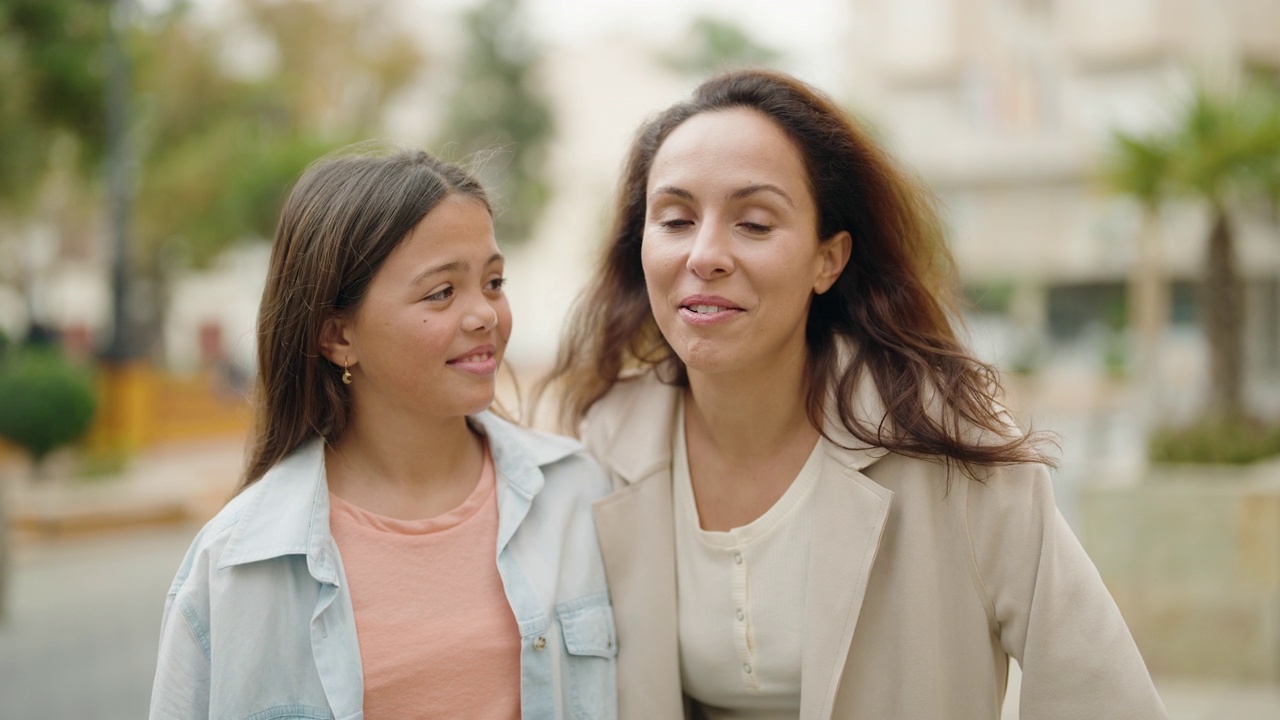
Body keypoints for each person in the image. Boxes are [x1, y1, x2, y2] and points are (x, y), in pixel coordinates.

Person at [540, 70, 1166, 719]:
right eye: (674, 219)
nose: (705, 254)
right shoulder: (602, 447)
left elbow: (1105, 695)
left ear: (828, 259)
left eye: (754, 223)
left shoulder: (955, 449)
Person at [150, 147, 617, 720]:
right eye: (441, 292)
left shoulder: (580, 496)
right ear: (337, 337)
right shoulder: (234, 570)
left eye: (493, 282)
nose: (485, 315)